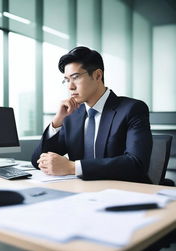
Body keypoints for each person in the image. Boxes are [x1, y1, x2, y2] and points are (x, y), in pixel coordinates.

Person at [31, 46, 152, 183]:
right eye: (66, 80)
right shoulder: (72, 116)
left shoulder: (132, 109)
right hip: (84, 193)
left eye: (75, 77)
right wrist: (57, 122)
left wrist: (72, 167)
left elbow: (136, 164)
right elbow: (37, 161)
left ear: (97, 75)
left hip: (126, 192)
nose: (70, 87)